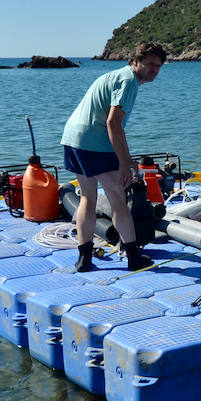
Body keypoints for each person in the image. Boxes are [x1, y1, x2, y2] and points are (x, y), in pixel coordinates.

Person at [60, 42, 167, 271]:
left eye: (158, 66)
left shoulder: (115, 76)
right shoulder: (129, 81)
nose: (154, 70)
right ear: (135, 62)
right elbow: (113, 122)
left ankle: (84, 259)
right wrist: (126, 162)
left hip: (73, 138)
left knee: (88, 197)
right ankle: (132, 257)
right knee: (118, 198)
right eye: (149, 64)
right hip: (94, 142)